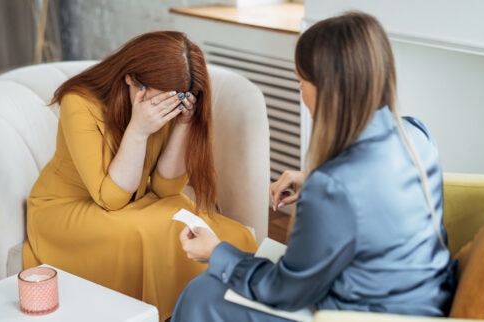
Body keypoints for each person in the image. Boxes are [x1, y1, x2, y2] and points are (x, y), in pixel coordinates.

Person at [171, 11, 457, 322]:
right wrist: (311, 179)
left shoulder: (333, 186)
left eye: (300, 81)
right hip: (426, 299)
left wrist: (216, 252)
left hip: (367, 314)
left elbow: (284, 291)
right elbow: (376, 191)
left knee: (203, 294)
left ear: (327, 90)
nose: (300, 91)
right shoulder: (416, 134)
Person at [22, 31, 257, 321]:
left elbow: (165, 189)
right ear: (131, 79)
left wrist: (182, 124)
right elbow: (111, 199)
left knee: (218, 230)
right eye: (162, 102)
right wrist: (139, 129)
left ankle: (218, 309)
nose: (167, 109)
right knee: (155, 230)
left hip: (135, 199)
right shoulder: (79, 102)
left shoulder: (169, 101)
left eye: (178, 100)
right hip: (67, 209)